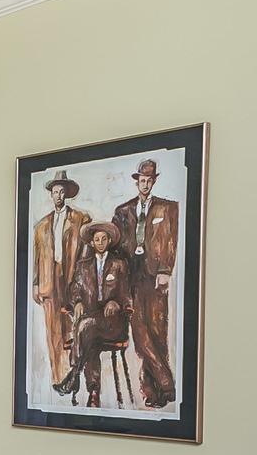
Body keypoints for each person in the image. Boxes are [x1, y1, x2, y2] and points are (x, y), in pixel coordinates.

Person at [113, 157, 178, 407]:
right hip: (131, 275)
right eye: (142, 180)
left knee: (158, 331)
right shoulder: (123, 211)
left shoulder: (167, 208)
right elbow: (115, 245)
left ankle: (153, 394)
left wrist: (165, 270)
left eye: (150, 180)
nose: (146, 184)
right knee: (140, 333)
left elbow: (171, 241)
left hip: (154, 275)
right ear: (136, 181)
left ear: (154, 182)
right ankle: (165, 381)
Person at [53, 222, 129, 407]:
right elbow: (75, 289)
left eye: (104, 239)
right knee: (90, 342)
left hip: (112, 323)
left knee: (84, 327)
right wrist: (77, 301)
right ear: (92, 243)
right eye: (97, 240)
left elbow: (127, 295)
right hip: (90, 326)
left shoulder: (119, 265)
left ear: (109, 241)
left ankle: (73, 376)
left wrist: (116, 303)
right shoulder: (83, 266)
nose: (101, 242)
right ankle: (93, 393)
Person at [30, 170, 90, 385]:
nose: (58, 196)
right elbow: (36, 258)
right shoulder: (41, 226)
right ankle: (58, 376)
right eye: (55, 192)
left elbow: (85, 253)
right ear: (51, 195)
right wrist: (36, 284)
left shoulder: (80, 219)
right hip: (49, 279)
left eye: (62, 192)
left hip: (70, 278)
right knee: (53, 329)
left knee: (71, 327)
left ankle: (73, 374)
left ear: (67, 194)